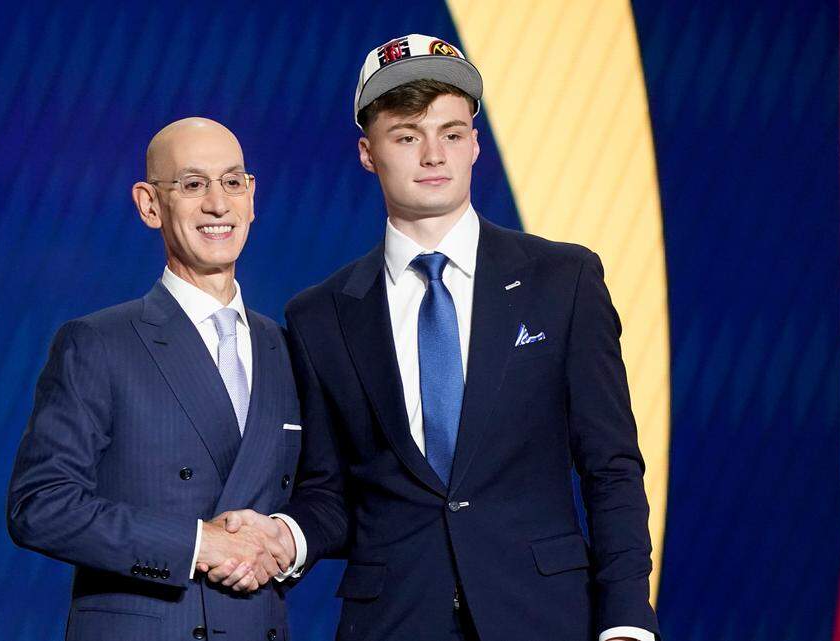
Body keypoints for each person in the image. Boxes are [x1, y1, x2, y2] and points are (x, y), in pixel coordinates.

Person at [225, 35, 661, 640]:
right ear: (367, 152)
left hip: (545, 615)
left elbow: (610, 465)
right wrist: (285, 536)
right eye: (407, 136)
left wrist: (626, 623)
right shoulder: (320, 316)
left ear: (476, 145)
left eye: (452, 134)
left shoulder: (563, 280)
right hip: (393, 621)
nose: (434, 155)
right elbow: (329, 490)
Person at [7, 117, 301, 641]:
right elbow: (40, 506)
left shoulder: (287, 348)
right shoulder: (98, 342)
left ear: (252, 197)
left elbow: (327, 494)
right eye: (192, 185)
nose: (217, 204)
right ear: (149, 204)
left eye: (232, 182)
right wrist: (195, 545)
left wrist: (285, 539)